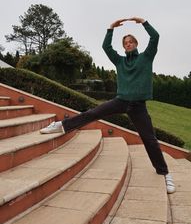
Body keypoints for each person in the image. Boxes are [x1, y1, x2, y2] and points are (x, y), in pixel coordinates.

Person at [40, 17, 175, 194]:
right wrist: (111, 29)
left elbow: (155, 37)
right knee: (92, 113)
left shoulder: (146, 57)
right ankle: (60, 126)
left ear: (136, 44)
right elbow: (106, 47)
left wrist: (144, 22)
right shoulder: (119, 61)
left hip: (138, 106)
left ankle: (164, 173)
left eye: (130, 42)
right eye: (125, 42)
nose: (128, 44)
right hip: (121, 101)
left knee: (150, 139)